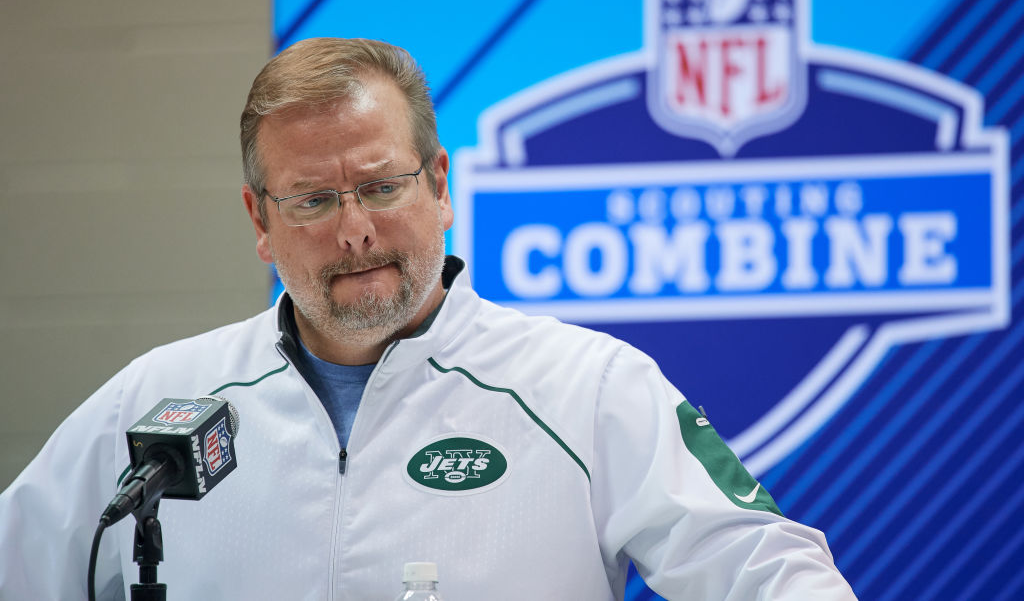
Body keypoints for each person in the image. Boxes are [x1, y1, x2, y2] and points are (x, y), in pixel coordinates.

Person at [0, 37, 856, 600]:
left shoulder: (584, 387)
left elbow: (772, 572)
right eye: (311, 199)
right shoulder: (157, 400)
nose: (355, 227)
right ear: (259, 222)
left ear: (439, 184)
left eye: (380, 185)